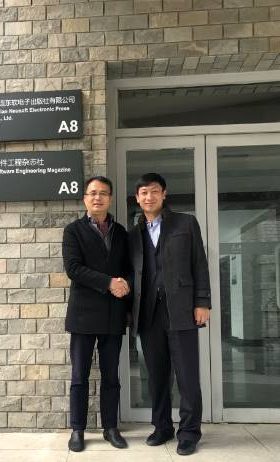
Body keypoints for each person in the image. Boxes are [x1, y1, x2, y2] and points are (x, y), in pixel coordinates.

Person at [128, 173, 211, 456]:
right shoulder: (134, 234)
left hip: (182, 310)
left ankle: (189, 432)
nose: (148, 197)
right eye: (143, 192)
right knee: (156, 376)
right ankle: (162, 426)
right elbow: (132, 274)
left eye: (154, 191)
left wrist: (202, 302)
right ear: (137, 198)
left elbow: (199, 264)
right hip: (148, 314)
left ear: (164, 194)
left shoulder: (186, 223)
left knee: (187, 375)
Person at [63, 176, 131, 452]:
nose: (97, 198)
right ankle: (77, 430)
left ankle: (110, 428)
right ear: (85, 199)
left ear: (110, 198)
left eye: (103, 193)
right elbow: (73, 269)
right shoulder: (73, 231)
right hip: (83, 315)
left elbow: (129, 268)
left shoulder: (121, 232)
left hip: (114, 314)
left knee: (111, 376)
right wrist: (109, 283)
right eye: (92, 193)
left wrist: (125, 286)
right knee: (79, 376)